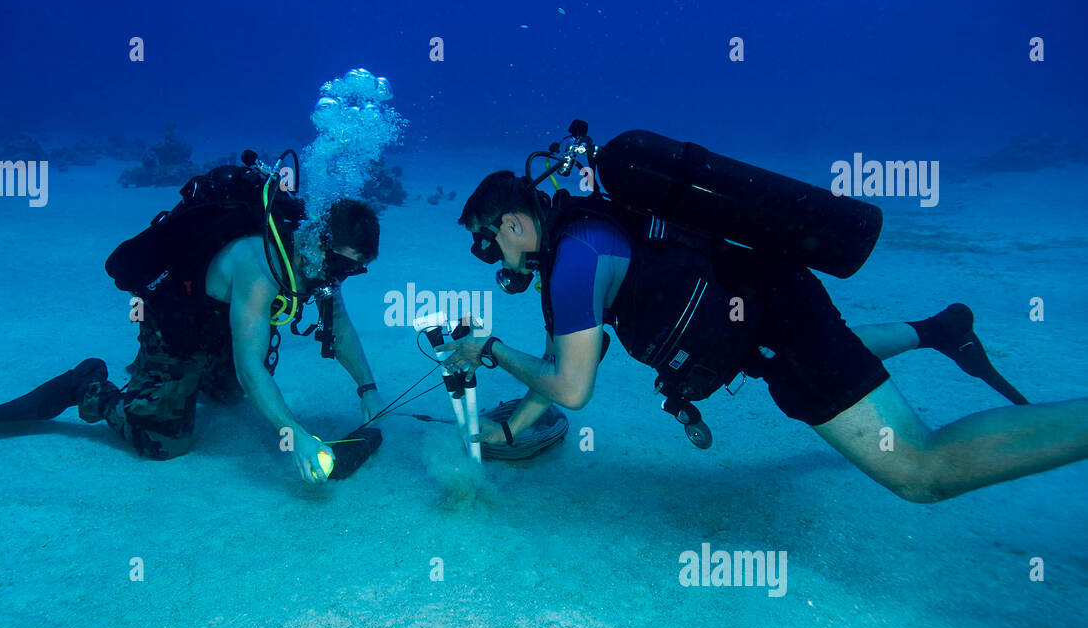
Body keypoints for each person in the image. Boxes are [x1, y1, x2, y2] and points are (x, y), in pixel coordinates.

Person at [442, 164, 1088, 503]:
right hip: (766, 313)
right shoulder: (577, 245)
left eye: (484, 242)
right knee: (818, 356)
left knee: (921, 470)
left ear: (515, 225)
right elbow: (569, 355)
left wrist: (490, 351)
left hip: (776, 320)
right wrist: (509, 428)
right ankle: (938, 330)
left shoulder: (576, 258)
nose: (488, 257)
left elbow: (572, 387)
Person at [0, 159, 382, 484]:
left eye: (354, 270)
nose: (340, 276)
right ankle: (87, 386)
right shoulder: (260, 263)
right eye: (341, 264)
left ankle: (184, 381)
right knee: (164, 442)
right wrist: (297, 436)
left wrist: (367, 387)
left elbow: (339, 326)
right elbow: (252, 368)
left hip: (223, 332)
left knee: (229, 397)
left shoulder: (320, 266)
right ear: (317, 241)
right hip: (177, 326)